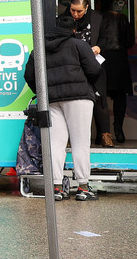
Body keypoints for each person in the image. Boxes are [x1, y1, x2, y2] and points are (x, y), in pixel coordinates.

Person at [24, 14, 103, 201]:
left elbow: (29, 75)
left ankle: (57, 187)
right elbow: (94, 69)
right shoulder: (78, 45)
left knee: (55, 144)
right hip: (79, 98)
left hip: (51, 100)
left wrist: (43, 92)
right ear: (73, 30)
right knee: (80, 142)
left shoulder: (39, 49)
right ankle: (83, 187)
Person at [62, 0, 113, 147]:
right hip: (72, 66)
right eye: (72, 10)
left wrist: (99, 47)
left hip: (94, 64)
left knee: (99, 99)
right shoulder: (64, 19)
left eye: (79, 11)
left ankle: (105, 135)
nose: (75, 14)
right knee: (73, 100)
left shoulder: (98, 18)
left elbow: (105, 37)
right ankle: (70, 138)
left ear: (87, 8)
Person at [95, 0, 135, 143]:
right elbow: (130, 41)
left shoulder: (97, 19)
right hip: (119, 60)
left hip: (101, 60)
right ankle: (119, 130)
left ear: (98, 3)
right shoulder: (122, 18)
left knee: (100, 97)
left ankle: (102, 134)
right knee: (120, 98)